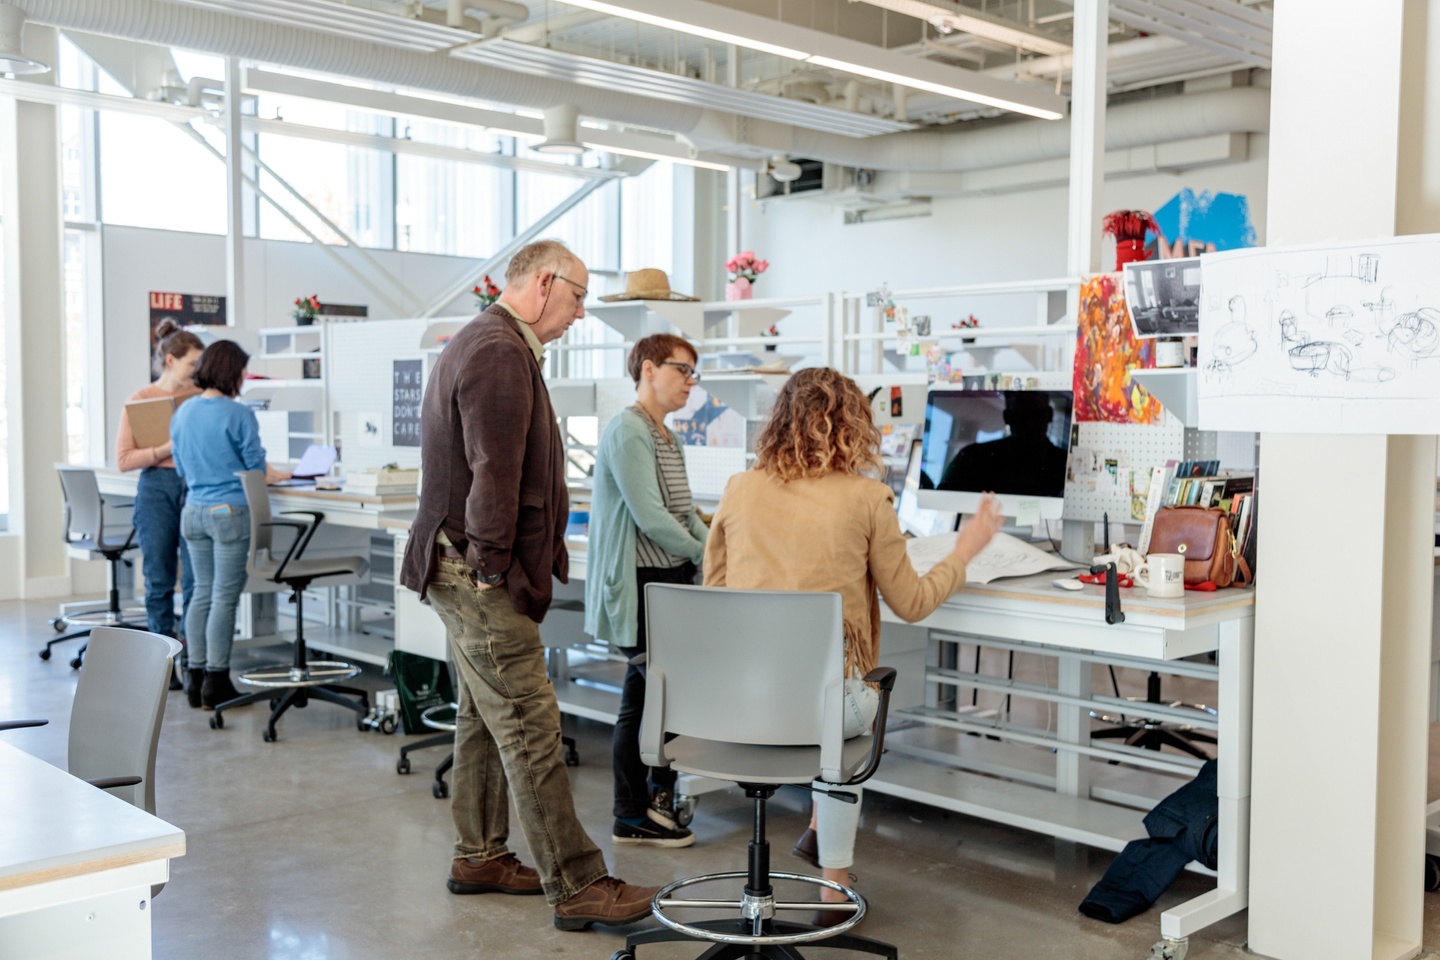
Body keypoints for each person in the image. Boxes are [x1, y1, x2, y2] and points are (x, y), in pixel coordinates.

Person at [398, 239, 660, 932]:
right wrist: (491, 570)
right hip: (474, 569)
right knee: (530, 722)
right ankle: (575, 881)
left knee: (485, 714)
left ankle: (480, 853)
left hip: (456, 562)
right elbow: (494, 474)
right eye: (576, 297)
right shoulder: (498, 351)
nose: (579, 314)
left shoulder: (485, 341)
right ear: (543, 283)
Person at [704, 367, 1002, 921]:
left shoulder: (739, 488)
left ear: (779, 421)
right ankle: (833, 886)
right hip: (822, 709)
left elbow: (714, 596)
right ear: (853, 425)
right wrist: (965, 551)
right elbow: (911, 602)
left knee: (817, 704)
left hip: (739, 701)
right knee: (843, 713)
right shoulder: (868, 498)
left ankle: (820, 831)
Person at [584, 333, 708, 849]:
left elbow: (683, 513)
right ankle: (629, 814)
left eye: (694, 374)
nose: (690, 383)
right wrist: (705, 553)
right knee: (642, 700)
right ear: (649, 368)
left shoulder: (667, 436)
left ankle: (659, 800)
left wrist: (715, 547)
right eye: (683, 370)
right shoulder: (628, 431)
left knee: (668, 699)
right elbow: (650, 516)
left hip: (670, 582)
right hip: (641, 584)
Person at [170, 340, 288, 709]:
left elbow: (179, 467)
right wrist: (278, 476)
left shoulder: (183, 412)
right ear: (231, 373)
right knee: (223, 596)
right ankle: (217, 681)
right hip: (228, 514)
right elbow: (254, 468)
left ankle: (197, 679)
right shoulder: (238, 414)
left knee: (201, 593)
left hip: (194, 511)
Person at [116, 318, 204, 698]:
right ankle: (163, 664)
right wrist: (165, 449)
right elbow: (124, 459)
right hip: (156, 487)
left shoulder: (201, 398)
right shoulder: (139, 400)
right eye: (191, 365)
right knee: (159, 577)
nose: (196, 372)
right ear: (171, 360)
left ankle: (194, 660)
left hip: (194, 485)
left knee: (198, 578)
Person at [938, 391, 1068, 497]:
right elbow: (942, 505)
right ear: (1007, 417)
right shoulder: (971, 458)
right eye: (1021, 416)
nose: (1029, 424)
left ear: (1049, 415)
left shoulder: (1067, 466)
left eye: (1036, 415)